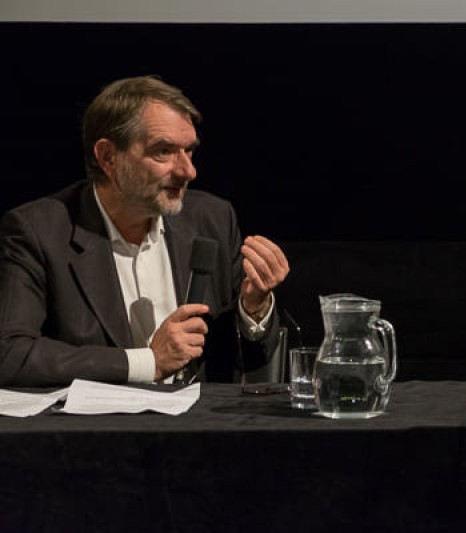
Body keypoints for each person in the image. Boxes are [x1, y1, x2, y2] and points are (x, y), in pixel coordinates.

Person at [0, 75, 290, 387]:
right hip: (96, 430)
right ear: (108, 157)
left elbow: (245, 356)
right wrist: (148, 361)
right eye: (163, 151)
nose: (187, 171)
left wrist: (254, 308)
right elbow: (11, 355)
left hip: (204, 427)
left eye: (189, 151)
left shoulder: (213, 218)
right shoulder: (38, 231)